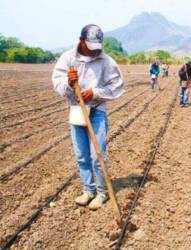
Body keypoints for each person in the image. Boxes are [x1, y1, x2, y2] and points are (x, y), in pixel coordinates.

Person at [52, 24, 124, 210]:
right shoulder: (68, 58)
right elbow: (58, 84)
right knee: (82, 155)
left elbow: (117, 86)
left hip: (97, 111)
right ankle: (88, 190)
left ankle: (101, 193)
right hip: (77, 110)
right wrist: (69, 83)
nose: (94, 50)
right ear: (81, 41)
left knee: (97, 155)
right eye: (90, 45)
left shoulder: (106, 61)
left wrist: (95, 93)